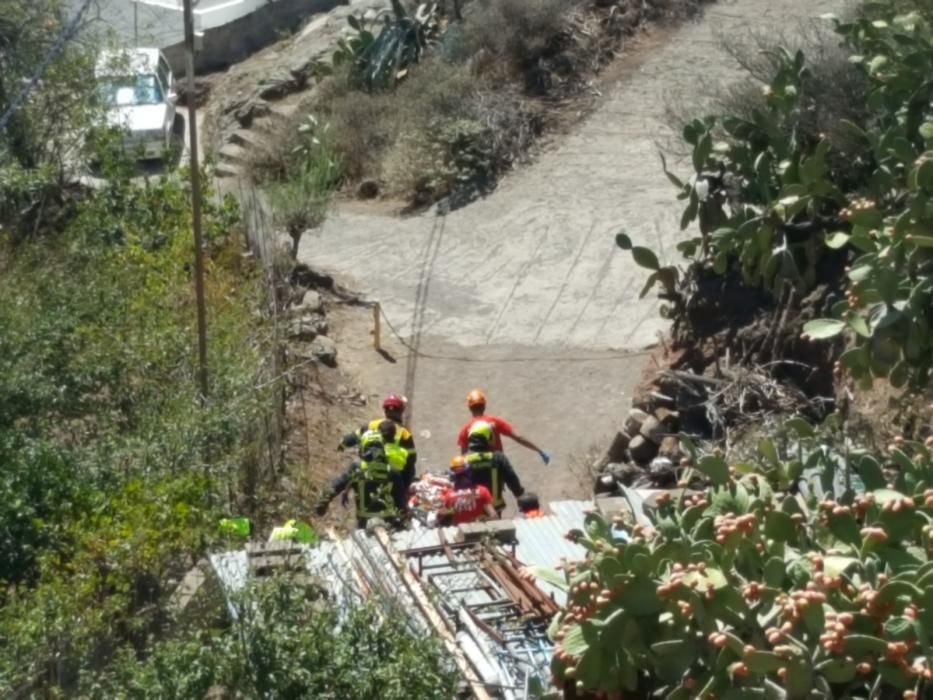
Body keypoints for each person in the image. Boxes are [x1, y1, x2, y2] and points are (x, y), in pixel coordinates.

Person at [316, 422, 405, 529]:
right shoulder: (393, 472)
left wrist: (322, 503)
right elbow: (400, 501)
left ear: (363, 447)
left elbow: (335, 486)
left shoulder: (357, 469)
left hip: (364, 522)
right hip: (388, 522)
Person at [341, 394, 417, 506]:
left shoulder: (371, 425)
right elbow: (412, 459)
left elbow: (351, 439)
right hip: (393, 476)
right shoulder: (404, 433)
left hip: (368, 470)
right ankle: (402, 503)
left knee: (348, 477)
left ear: (385, 410)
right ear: (400, 412)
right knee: (410, 470)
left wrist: (342, 444)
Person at [457, 389, 550, 465]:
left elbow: (463, 456)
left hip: (476, 470)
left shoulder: (465, 429)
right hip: (497, 465)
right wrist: (539, 451)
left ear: (469, 408)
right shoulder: (494, 421)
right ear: (484, 406)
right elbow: (518, 437)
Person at [464, 421, 525, 514]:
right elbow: (512, 480)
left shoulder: (464, 460)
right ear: (488, 438)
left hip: (473, 510)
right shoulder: (498, 457)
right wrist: (520, 498)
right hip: (495, 508)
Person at [439, 456, 497, 526]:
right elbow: (494, 516)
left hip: (459, 532)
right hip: (478, 529)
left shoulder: (449, 495)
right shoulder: (482, 491)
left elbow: (442, 516)